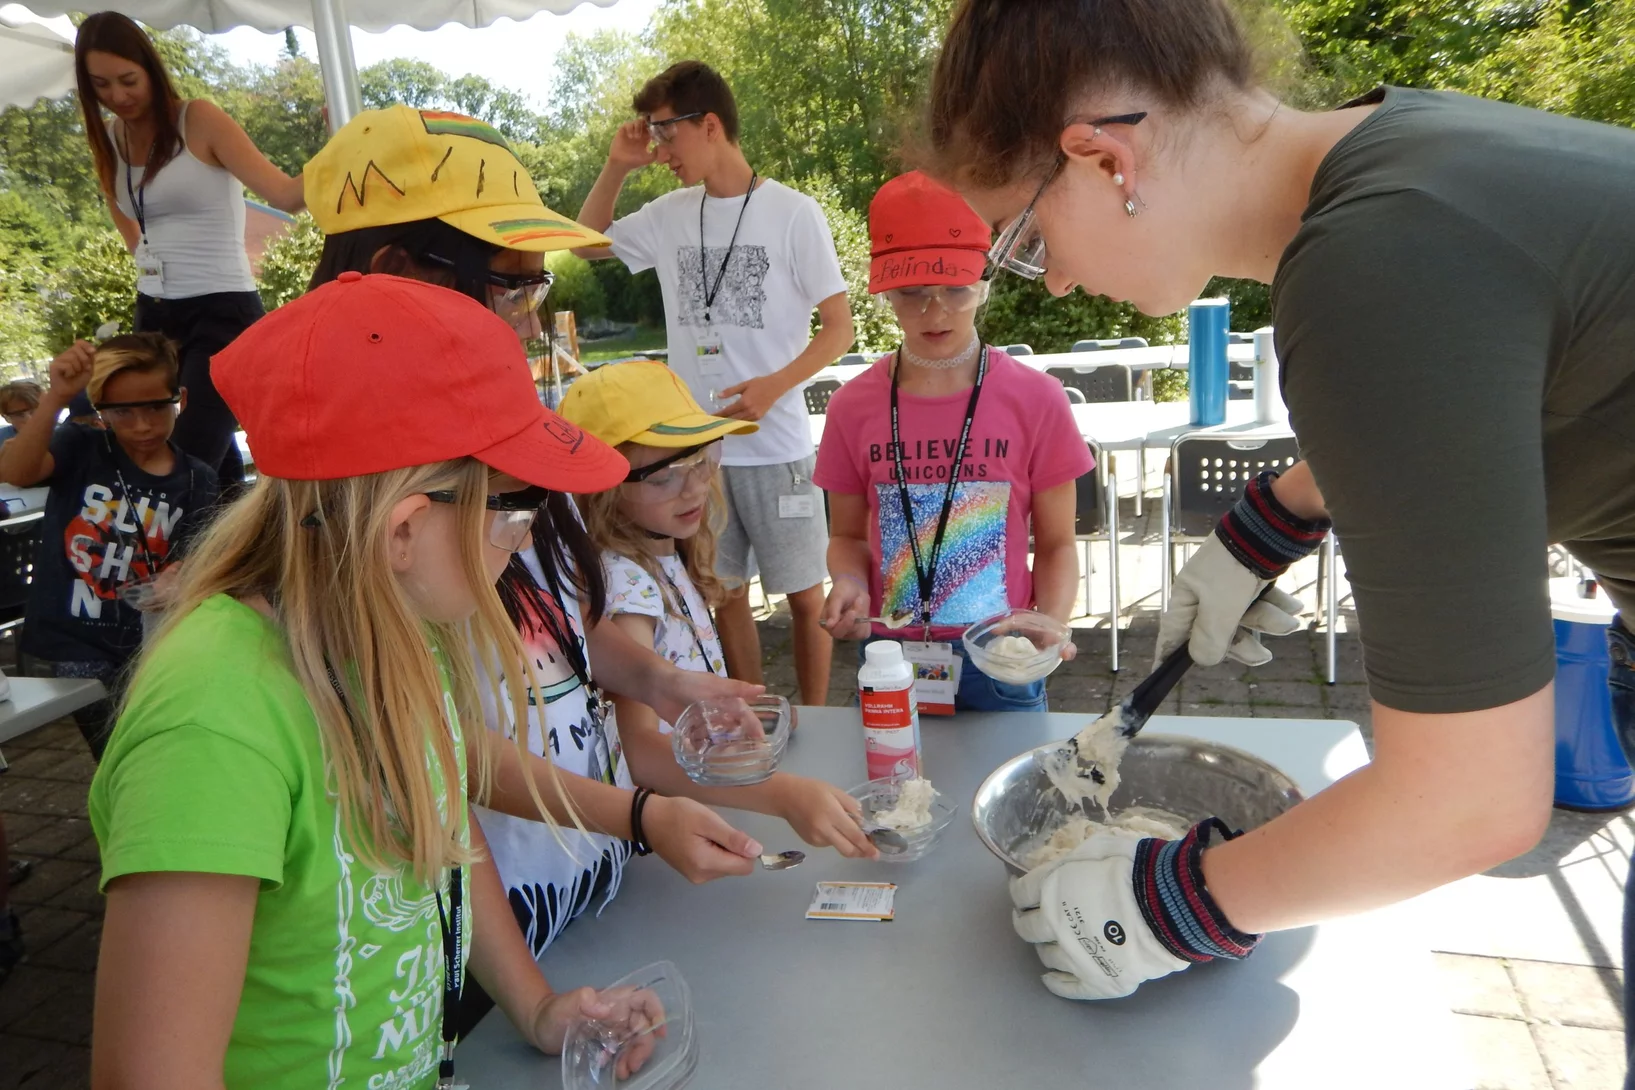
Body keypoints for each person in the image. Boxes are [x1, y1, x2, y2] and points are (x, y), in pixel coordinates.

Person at [923, 0, 1635, 1039]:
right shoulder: (1404, 145)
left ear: (1106, 160)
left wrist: (1173, 905)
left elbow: (1470, 800)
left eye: (1025, 239)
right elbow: (1475, 387)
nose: (1058, 277)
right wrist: (1279, 518)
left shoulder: (1368, 265)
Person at [88, 272, 667, 1087]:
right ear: (404, 530)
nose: (520, 544)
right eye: (515, 513)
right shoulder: (211, 724)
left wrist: (536, 1007)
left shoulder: (392, 628)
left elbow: (445, 828)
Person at [302, 108, 770, 974]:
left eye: (534, 291)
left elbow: (548, 626)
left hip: (576, 903)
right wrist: (632, 816)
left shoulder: (504, 451)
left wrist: (660, 679)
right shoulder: (358, 521)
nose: (526, 326)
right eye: (508, 289)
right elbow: (437, 744)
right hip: (474, 950)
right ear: (395, 275)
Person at [575, 60, 853, 707]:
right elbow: (585, 243)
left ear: (709, 125)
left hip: (775, 442)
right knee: (720, 593)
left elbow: (838, 327)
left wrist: (774, 386)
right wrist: (617, 163)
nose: (660, 150)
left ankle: (813, 721)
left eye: (665, 134)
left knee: (803, 592)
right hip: (693, 453)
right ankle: (747, 712)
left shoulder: (792, 213)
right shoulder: (671, 214)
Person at [562, 360, 877, 857]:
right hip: (679, 831)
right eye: (664, 476)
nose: (694, 488)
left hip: (708, 798)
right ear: (603, 487)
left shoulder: (666, 549)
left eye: (702, 458)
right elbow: (640, 750)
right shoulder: (627, 587)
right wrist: (782, 796)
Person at [814, 172, 1088, 713]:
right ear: (887, 290)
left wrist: (1048, 626)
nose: (935, 312)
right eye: (912, 292)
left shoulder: (1037, 399)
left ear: (983, 282)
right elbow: (847, 536)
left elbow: (1058, 544)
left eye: (955, 288)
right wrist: (847, 579)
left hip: (1003, 656)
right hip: (892, 657)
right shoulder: (852, 407)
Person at [75, 11, 305, 494]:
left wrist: (349, 151)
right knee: (201, 468)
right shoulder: (110, 138)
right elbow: (129, 224)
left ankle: (192, 562)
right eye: (101, 85)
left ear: (151, 71)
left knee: (182, 460)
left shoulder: (198, 118)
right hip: (154, 311)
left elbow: (286, 195)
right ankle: (216, 561)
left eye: (128, 80)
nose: (117, 96)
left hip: (222, 309)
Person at [0, 333, 218, 759]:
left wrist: (182, 575)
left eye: (157, 406)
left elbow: (194, 555)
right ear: (102, 411)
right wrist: (57, 396)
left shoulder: (198, 478)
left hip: (145, 645)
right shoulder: (81, 447)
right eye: (122, 411)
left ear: (182, 398)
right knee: (123, 753)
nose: (142, 425)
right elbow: (17, 471)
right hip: (71, 644)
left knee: (158, 748)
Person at [0, 378, 42, 443]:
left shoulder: (59, 435)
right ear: (6, 418)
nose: (29, 419)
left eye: (33, 412)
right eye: (19, 415)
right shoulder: (2, 439)